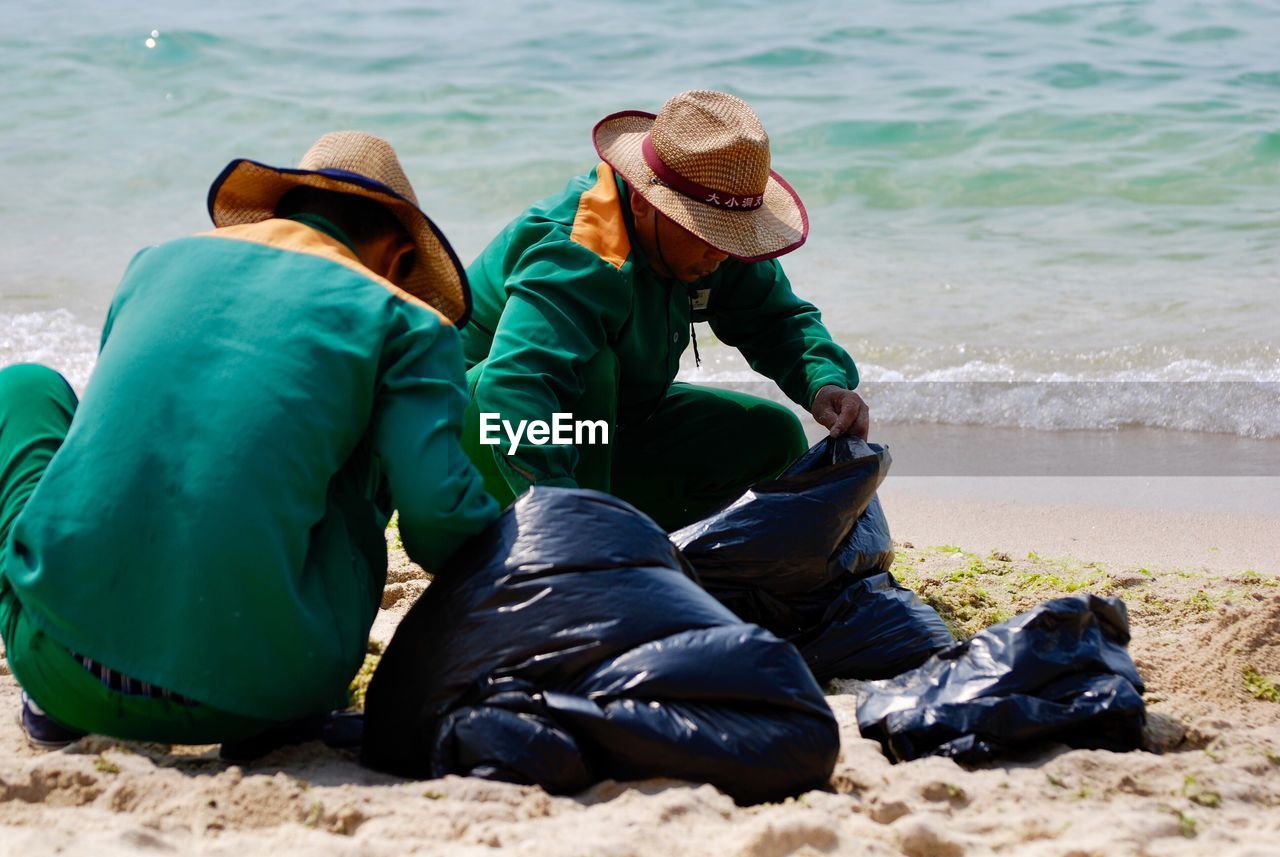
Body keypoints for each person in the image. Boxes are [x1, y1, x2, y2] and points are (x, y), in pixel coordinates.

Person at [0, 131, 498, 751]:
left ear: (276, 214)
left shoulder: (153, 264)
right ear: (399, 260)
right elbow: (438, 521)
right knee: (359, 449)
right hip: (265, 692)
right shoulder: (405, 320)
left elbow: (119, 455)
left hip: (55, 663)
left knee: (23, 386)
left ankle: (57, 688)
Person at [461, 90, 868, 530]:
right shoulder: (582, 252)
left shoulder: (717, 249)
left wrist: (824, 383)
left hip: (600, 434)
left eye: (733, 236)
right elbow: (510, 389)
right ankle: (585, 535)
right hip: (472, 445)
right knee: (592, 372)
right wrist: (568, 523)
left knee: (771, 437)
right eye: (705, 231)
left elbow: (775, 321)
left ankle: (635, 537)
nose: (721, 252)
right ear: (642, 202)